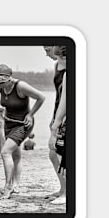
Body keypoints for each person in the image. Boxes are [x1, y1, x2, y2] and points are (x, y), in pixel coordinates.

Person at [0, 64, 45, 199]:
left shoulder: (20, 86)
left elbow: (41, 97)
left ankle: (8, 186)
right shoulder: (1, 88)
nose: (0, 86)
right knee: (15, 155)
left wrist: (31, 114)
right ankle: (16, 184)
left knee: (5, 152)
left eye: (2, 83)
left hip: (23, 124)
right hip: (8, 123)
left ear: (8, 79)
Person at [44, 46, 67, 205]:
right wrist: (54, 117)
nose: (47, 54)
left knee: (61, 154)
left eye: (48, 49)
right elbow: (60, 95)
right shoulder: (57, 65)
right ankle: (63, 189)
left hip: (66, 115)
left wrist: (57, 122)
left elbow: (67, 96)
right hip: (59, 112)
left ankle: (68, 193)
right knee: (54, 154)